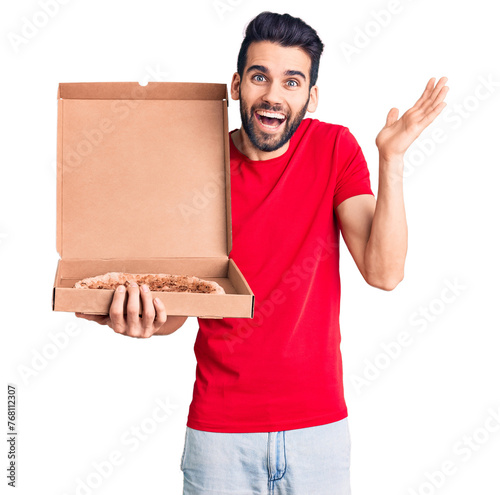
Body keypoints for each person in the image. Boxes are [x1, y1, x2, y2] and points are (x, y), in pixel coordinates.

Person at [76, 11, 448, 495]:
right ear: (236, 85)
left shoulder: (334, 148)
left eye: (292, 82)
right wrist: (138, 317)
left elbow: (385, 272)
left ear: (310, 97)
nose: (274, 94)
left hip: (319, 432)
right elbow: (181, 307)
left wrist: (392, 159)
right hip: (219, 434)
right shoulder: (195, 164)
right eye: (260, 77)